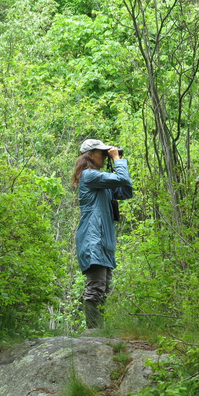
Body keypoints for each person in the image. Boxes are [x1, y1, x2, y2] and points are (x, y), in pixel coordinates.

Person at [71, 139, 133, 328]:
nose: (105, 155)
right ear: (91, 155)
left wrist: (116, 163)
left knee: (104, 288)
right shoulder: (89, 176)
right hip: (93, 238)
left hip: (103, 239)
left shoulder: (100, 181)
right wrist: (117, 160)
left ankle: (99, 330)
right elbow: (122, 179)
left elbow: (126, 190)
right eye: (102, 152)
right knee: (96, 287)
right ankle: (92, 332)